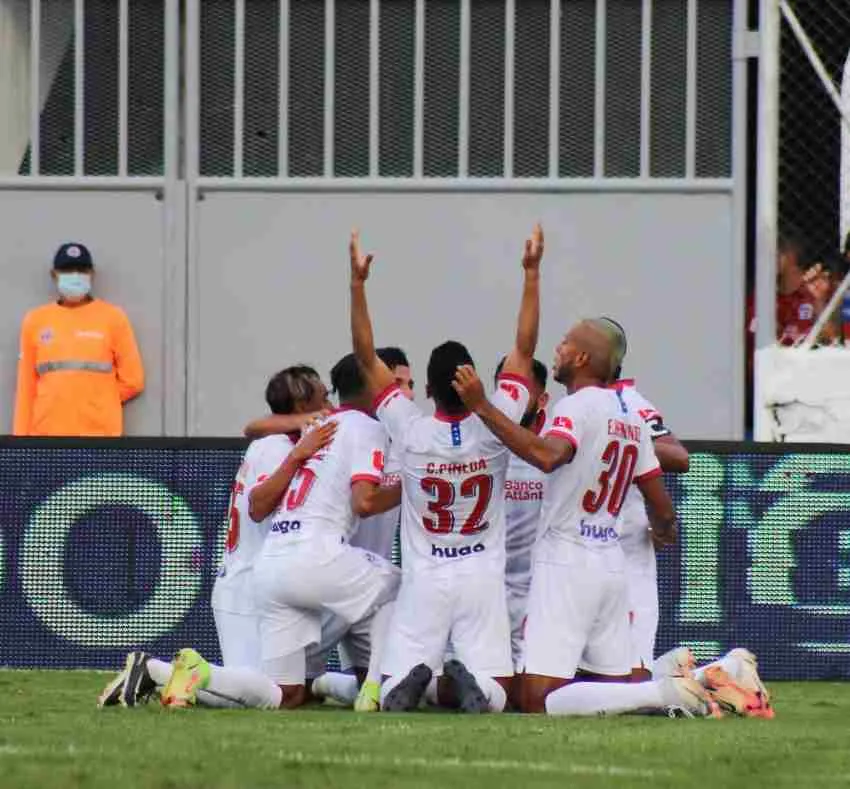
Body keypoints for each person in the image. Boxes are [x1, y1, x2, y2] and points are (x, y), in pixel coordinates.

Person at [451, 319, 718, 717]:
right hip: (610, 563)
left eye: (563, 343)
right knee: (610, 690)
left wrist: (482, 406)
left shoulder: (576, 405)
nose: (556, 350)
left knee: (536, 699)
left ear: (581, 358)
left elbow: (547, 455)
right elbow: (661, 506)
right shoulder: (632, 416)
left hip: (566, 560)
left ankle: (665, 693)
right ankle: (707, 677)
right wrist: (663, 531)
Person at [349, 225, 543, 713]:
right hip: (481, 575)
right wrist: (531, 274)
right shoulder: (495, 422)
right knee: (497, 692)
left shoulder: (409, 430)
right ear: (472, 379)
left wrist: (357, 285)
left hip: (426, 576)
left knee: (393, 685)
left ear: (429, 391)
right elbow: (524, 349)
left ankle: (423, 685)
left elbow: (365, 357)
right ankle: (456, 688)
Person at [97, 366, 336, 708]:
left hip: (257, 582)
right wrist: (299, 455)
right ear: (301, 404)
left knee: (278, 693)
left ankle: (156, 672)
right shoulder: (275, 447)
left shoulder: (278, 440)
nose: (328, 402)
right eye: (322, 395)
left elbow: (256, 427)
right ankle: (156, 670)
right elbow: (259, 505)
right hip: (249, 586)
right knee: (269, 696)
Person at [14, 242, 144, 436]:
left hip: (99, 437)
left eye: (81, 270)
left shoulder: (113, 318)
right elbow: (26, 388)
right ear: (54, 275)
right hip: (46, 436)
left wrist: (97, 401)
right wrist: (20, 445)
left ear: (92, 274)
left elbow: (134, 380)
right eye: (67, 270)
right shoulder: (35, 320)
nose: (75, 275)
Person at [497, 356, 549, 673]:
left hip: (538, 599)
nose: (512, 396)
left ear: (542, 399)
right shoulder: (480, 448)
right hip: (484, 595)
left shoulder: (556, 453)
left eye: (522, 389)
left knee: (535, 696)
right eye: (505, 388)